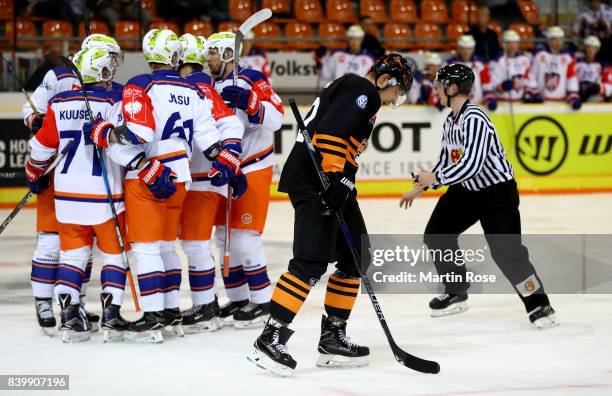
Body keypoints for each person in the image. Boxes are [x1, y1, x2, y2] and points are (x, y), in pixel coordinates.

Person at [248, 54, 413, 376]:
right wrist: (336, 176)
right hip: (317, 180)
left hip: (331, 181)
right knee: (310, 260)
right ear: (384, 80)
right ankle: (270, 336)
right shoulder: (362, 90)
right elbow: (331, 134)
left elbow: (337, 136)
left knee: (356, 257)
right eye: (397, 91)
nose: (395, 99)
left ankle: (332, 336)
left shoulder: (356, 90)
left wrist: (342, 181)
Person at [87, 29, 223, 343]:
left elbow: (138, 132)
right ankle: (170, 311)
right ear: (174, 55)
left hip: (148, 175)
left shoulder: (141, 84)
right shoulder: (192, 89)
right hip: (181, 177)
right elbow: (210, 139)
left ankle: (150, 317)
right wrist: (226, 159)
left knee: (146, 249)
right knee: (166, 247)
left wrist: (105, 132)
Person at [399, 63, 558, 330]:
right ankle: (456, 290)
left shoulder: (476, 118)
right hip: (467, 190)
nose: (435, 90)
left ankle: (539, 304)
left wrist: (436, 178)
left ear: (452, 88)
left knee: (507, 254)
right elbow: (448, 161)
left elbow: (472, 164)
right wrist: (423, 185)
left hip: (496, 194)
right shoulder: (451, 119)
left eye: (439, 85)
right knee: (437, 234)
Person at [22, 33, 123, 336]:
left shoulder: (65, 101)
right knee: (106, 254)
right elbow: (31, 114)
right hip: (102, 195)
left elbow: (40, 147)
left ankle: (70, 311)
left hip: (65, 190)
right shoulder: (112, 97)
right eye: (111, 60)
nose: (114, 66)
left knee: (74, 254)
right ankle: (107, 312)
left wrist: (33, 170)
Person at [206, 31, 283, 328]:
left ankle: (262, 301)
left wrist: (252, 103)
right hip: (228, 167)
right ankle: (238, 298)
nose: (208, 57)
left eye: (214, 52)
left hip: (254, 165)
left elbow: (277, 119)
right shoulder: (210, 83)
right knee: (224, 236)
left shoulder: (252, 77)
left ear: (228, 54)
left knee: (244, 236)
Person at [176, 33, 246, 333]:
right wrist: (231, 161)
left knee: (194, 244)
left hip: (202, 179)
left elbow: (231, 124)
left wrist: (229, 161)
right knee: (194, 243)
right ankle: (208, 304)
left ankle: (206, 306)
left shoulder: (195, 86)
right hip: (202, 177)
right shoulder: (201, 84)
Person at [526, 26, 581, 109]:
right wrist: (533, 93)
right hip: (541, 103)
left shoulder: (568, 56)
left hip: (562, 103)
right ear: (549, 40)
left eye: (560, 39)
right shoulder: (539, 54)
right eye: (555, 39)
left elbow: (571, 77)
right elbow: (532, 75)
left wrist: (573, 95)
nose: (558, 42)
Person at [446, 35, 497, 110]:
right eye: (463, 48)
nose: (466, 51)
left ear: (473, 49)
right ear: (459, 49)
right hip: (456, 109)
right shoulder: (449, 65)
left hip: (478, 107)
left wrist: (489, 99)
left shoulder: (481, 64)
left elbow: (487, 86)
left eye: (469, 48)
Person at [490, 30, 532, 102]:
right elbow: (491, 85)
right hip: (502, 102)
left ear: (518, 44)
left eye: (515, 42)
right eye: (509, 42)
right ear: (504, 44)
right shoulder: (496, 61)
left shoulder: (525, 60)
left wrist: (529, 92)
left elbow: (529, 81)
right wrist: (502, 86)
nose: (512, 46)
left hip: (521, 102)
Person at [576, 35, 612, 102]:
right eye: (588, 47)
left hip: (595, 97)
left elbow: (610, 86)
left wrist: (599, 88)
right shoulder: (576, 62)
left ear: (597, 50)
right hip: (577, 95)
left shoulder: (604, 65)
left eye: (594, 48)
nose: (590, 50)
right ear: (584, 48)